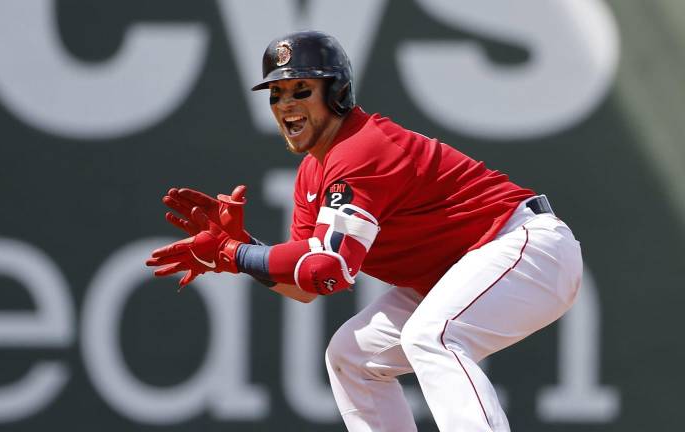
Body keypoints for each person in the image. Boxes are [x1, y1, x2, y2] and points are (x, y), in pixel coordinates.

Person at [146, 30, 583, 432]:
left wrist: (233, 253)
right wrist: (243, 251)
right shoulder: (312, 173)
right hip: (459, 268)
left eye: (301, 90)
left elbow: (327, 268)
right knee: (351, 358)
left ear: (337, 92)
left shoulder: (362, 148)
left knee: (431, 335)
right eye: (276, 94)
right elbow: (305, 284)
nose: (286, 105)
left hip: (524, 247)